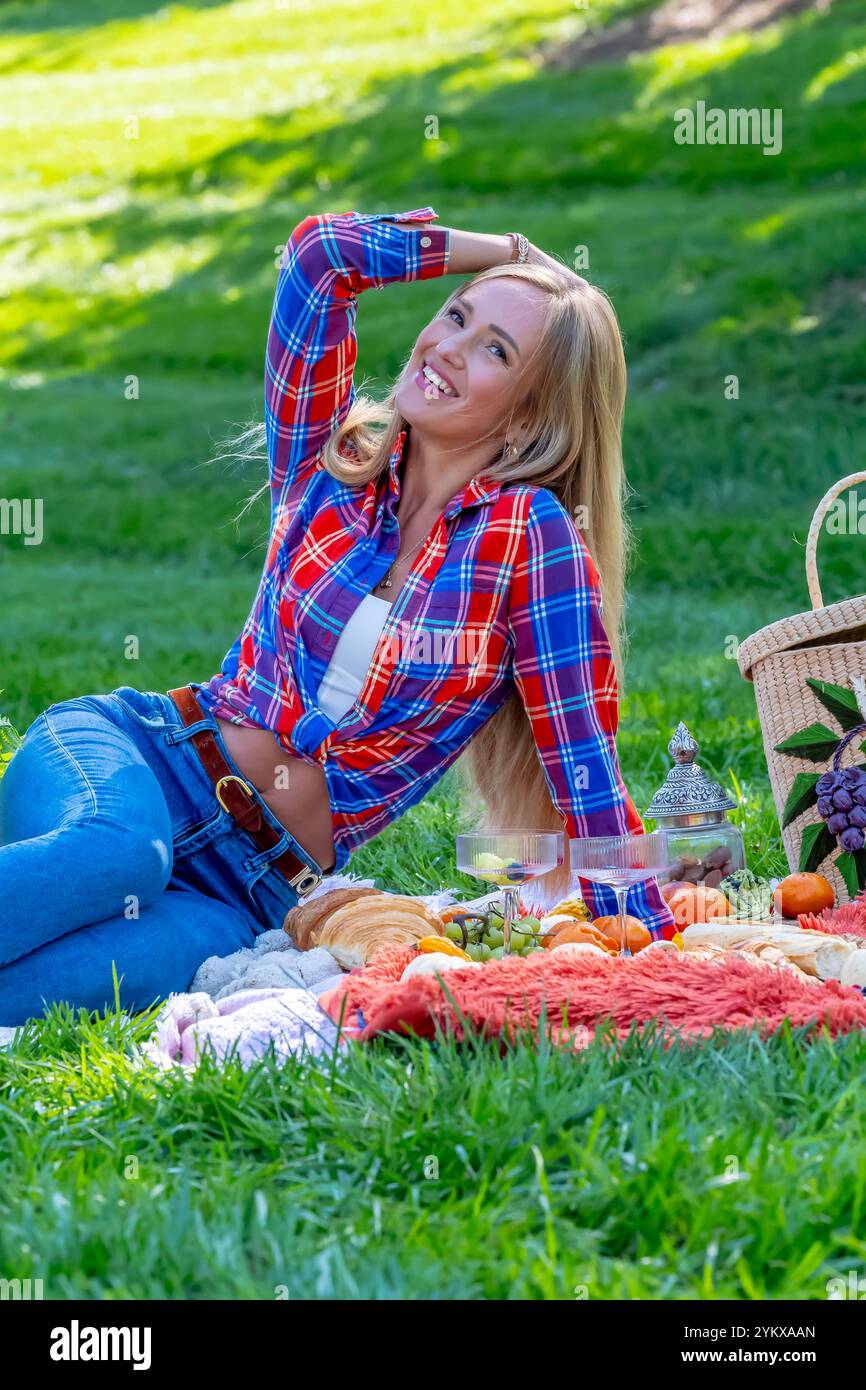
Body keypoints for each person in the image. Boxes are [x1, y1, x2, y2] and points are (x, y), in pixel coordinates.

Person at [0, 204, 674, 1025]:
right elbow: (321, 256)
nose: (449, 350)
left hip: (248, 889)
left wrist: (659, 952)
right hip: (138, 758)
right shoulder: (331, 458)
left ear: (530, 414)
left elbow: (585, 767)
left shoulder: (529, 543)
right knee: (115, 859)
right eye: (456, 317)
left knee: (58, 989)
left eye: (495, 349)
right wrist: (515, 253)